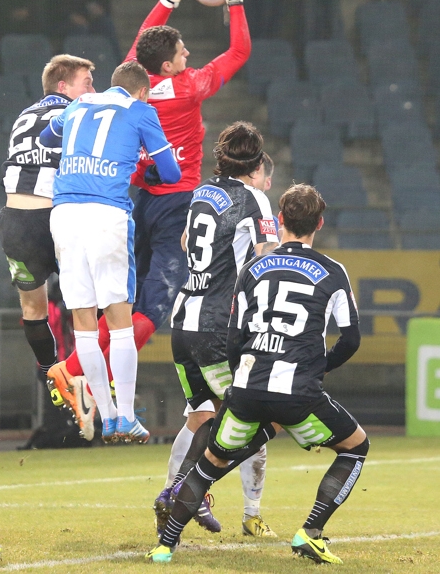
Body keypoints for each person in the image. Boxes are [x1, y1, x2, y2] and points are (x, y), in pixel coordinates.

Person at [49, 0, 251, 409]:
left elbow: (141, 44)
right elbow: (239, 52)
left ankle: (71, 370)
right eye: (182, 52)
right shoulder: (192, 86)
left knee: (122, 298)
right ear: (168, 67)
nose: (189, 54)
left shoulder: (133, 88)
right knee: (154, 305)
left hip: (136, 200)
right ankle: (95, 376)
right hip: (177, 203)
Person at [146, 183, 368, 565]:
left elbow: (234, 338)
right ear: (319, 223)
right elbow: (351, 339)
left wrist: (242, 376)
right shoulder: (332, 272)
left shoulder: (251, 268)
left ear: (280, 220)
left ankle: (165, 547)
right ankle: (310, 533)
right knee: (356, 447)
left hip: (247, 386)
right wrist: (320, 365)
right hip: (299, 392)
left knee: (210, 463)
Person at [39, 60, 181, 443]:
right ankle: (127, 417)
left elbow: (46, 141)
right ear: (143, 91)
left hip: (64, 214)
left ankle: (106, 415)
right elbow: (171, 172)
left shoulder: (77, 105)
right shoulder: (141, 111)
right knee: (119, 321)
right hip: (107, 214)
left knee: (83, 324)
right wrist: (144, 167)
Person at [153, 127, 279, 537]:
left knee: (201, 415)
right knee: (244, 414)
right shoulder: (254, 198)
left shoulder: (203, 194)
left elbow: (188, 239)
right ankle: (186, 495)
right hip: (217, 327)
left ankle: (174, 494)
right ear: (258, 165)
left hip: (183, 320)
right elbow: (268, 257)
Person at [0, 54, 97, 440]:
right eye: (87, 81)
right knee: (95, 302)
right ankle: (86, 378)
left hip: (15, 221)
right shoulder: (76, 112)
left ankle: (54, 377)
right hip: (57, 220)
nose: (91, 89)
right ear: (64, 87)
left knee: (32, 309)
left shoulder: (24, 115)